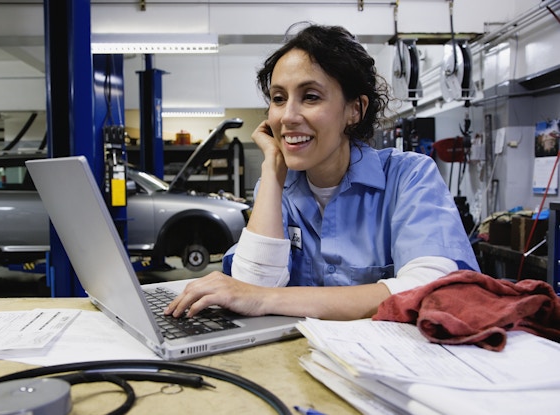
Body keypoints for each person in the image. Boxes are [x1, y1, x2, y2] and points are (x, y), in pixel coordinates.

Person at [165, 23, 479, 321]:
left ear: (354, 110)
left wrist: (266, 299)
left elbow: (430, 289)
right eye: (278, 99)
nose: (287, 116)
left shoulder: (408, 177)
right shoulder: (276, 189)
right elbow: (251, 284)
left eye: (311, 97)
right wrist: (273, 167)